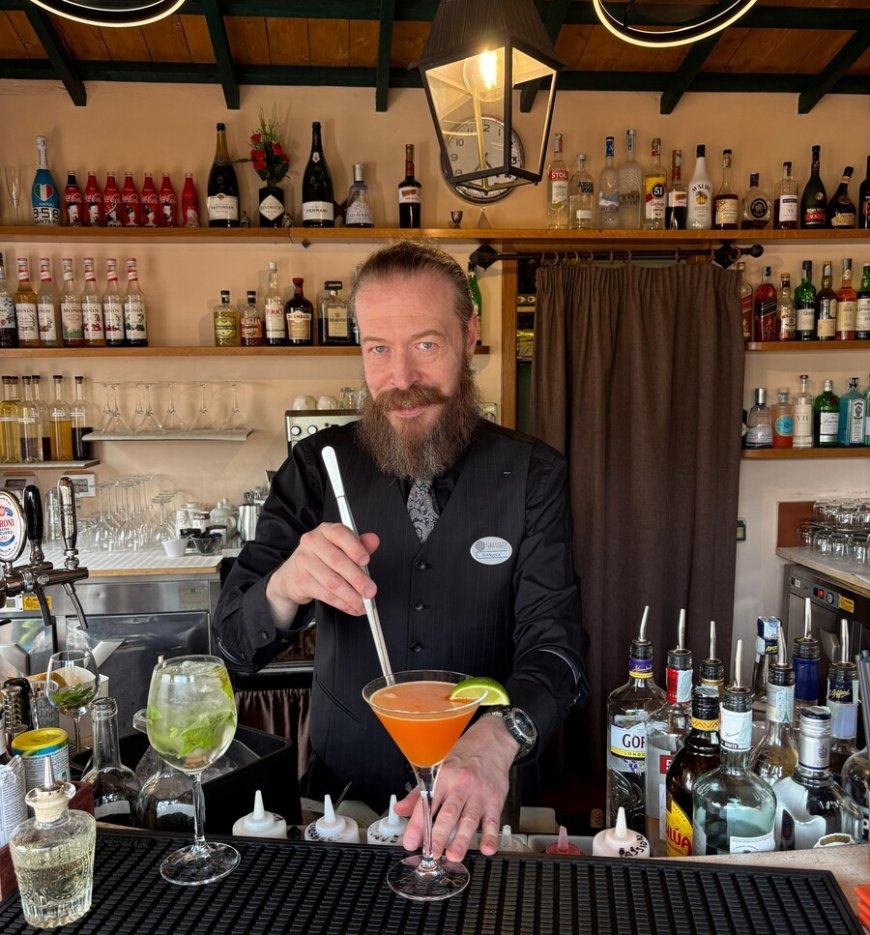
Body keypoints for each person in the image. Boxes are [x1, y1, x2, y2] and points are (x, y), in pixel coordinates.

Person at [214, 240, 589, 860]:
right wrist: (285, 587)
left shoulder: (533, 475)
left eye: (425, 344)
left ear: (470, 337)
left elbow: (558, 648)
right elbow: (230, 643)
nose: (401, 380)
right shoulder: (316, 469)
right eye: (377, 349)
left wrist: (499, 737)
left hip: (484, 803)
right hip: (341, 811)